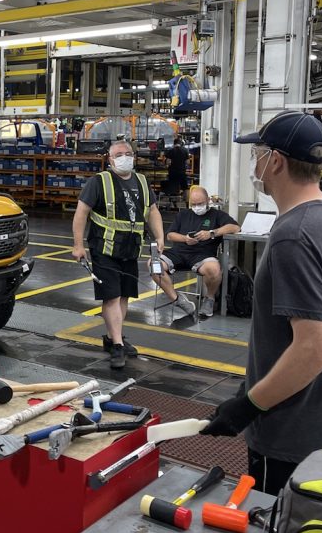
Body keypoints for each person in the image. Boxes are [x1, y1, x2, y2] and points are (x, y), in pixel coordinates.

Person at [200, 111, 322, 496]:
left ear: (275, 161)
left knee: (274, 532)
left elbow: (317, 348)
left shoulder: (293, 236)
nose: (253, 163)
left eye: (256, 153)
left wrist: (249, 406)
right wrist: (253, 384)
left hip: (292, 440)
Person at [72, 139, 165, 369]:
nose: (125, 158)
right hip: (104, 249)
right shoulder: (99, 182)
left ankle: (113, 336)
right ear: (110, 159)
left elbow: (153, 211)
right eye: (119, 154)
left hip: (130, 250)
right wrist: (78, 245)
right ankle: (117, 345)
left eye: (128, 153)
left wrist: (160, 237)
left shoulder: (142, 181)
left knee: (123, 296)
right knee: (112, 296)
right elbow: (81, 212)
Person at [150, 186, 239, 319]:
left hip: (203, 255)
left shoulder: (217, 215)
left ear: (208, 200)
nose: (197, 207)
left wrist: (212, 233)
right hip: (178, 253)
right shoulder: (183, 215)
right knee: (153, 264)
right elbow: (170, 235)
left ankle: (209, 298)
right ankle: (177, 299)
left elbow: (235, 227)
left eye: (200, 204)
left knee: (214, 269)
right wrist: (185, 239)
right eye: (194, 204)